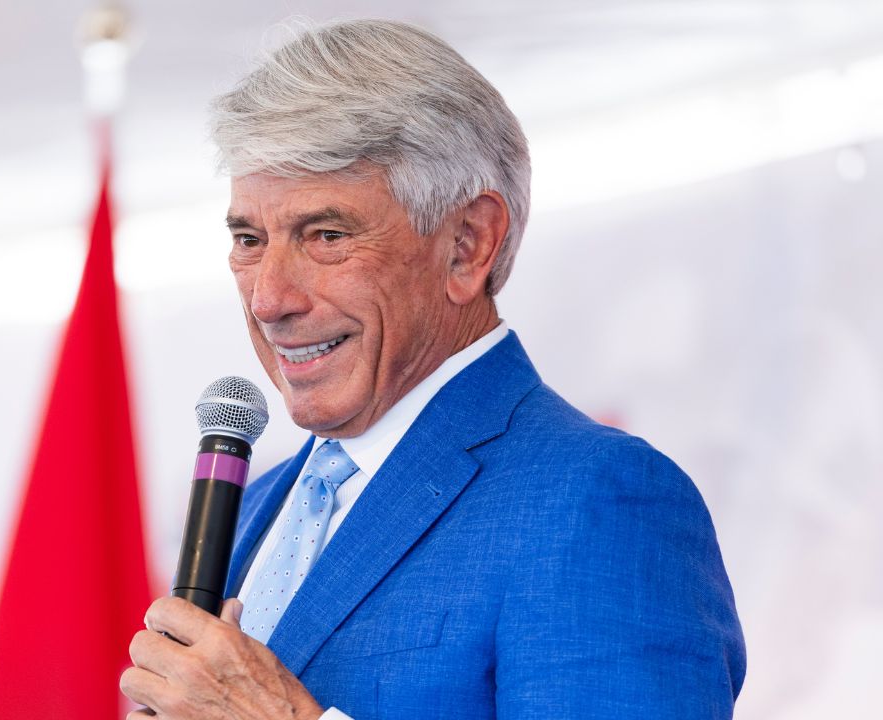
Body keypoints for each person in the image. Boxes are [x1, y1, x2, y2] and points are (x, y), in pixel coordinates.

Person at [121, 19, 745, 719]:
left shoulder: (598, 499)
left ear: (467, 245)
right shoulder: (255, 508)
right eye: (248, 239)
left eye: (326, 235)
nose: (269, 299)